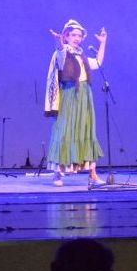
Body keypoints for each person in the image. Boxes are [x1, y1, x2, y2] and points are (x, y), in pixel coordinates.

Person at [44, 19, 106, 187]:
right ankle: (57, 174)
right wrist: (58, 40)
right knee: (64, 131)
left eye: (79, 35)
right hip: (69, 95)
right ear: (66, 36)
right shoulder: (63, 53)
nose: (77, 38)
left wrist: (103, 43)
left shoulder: (82, 55)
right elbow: (60, 50)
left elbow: (98, 63)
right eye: (73, 35)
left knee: (86, 130)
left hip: (84, 95)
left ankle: (92, 173)